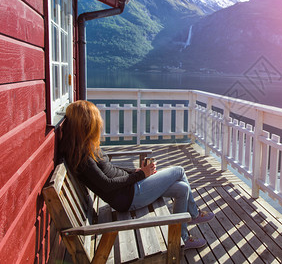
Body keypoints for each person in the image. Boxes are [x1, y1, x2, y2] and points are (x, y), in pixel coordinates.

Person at [60, 100, 214, 249]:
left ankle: (183, 238)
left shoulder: (86, 148)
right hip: (129, 197)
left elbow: (110, 169)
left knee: (182, 189)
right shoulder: (83, 159)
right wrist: (141, 175)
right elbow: (107, 185)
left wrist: (136, 172)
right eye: (96, 122)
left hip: (131, 189)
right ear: (86, 125)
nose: (99, 125)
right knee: (179, 170)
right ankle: (194, 214)